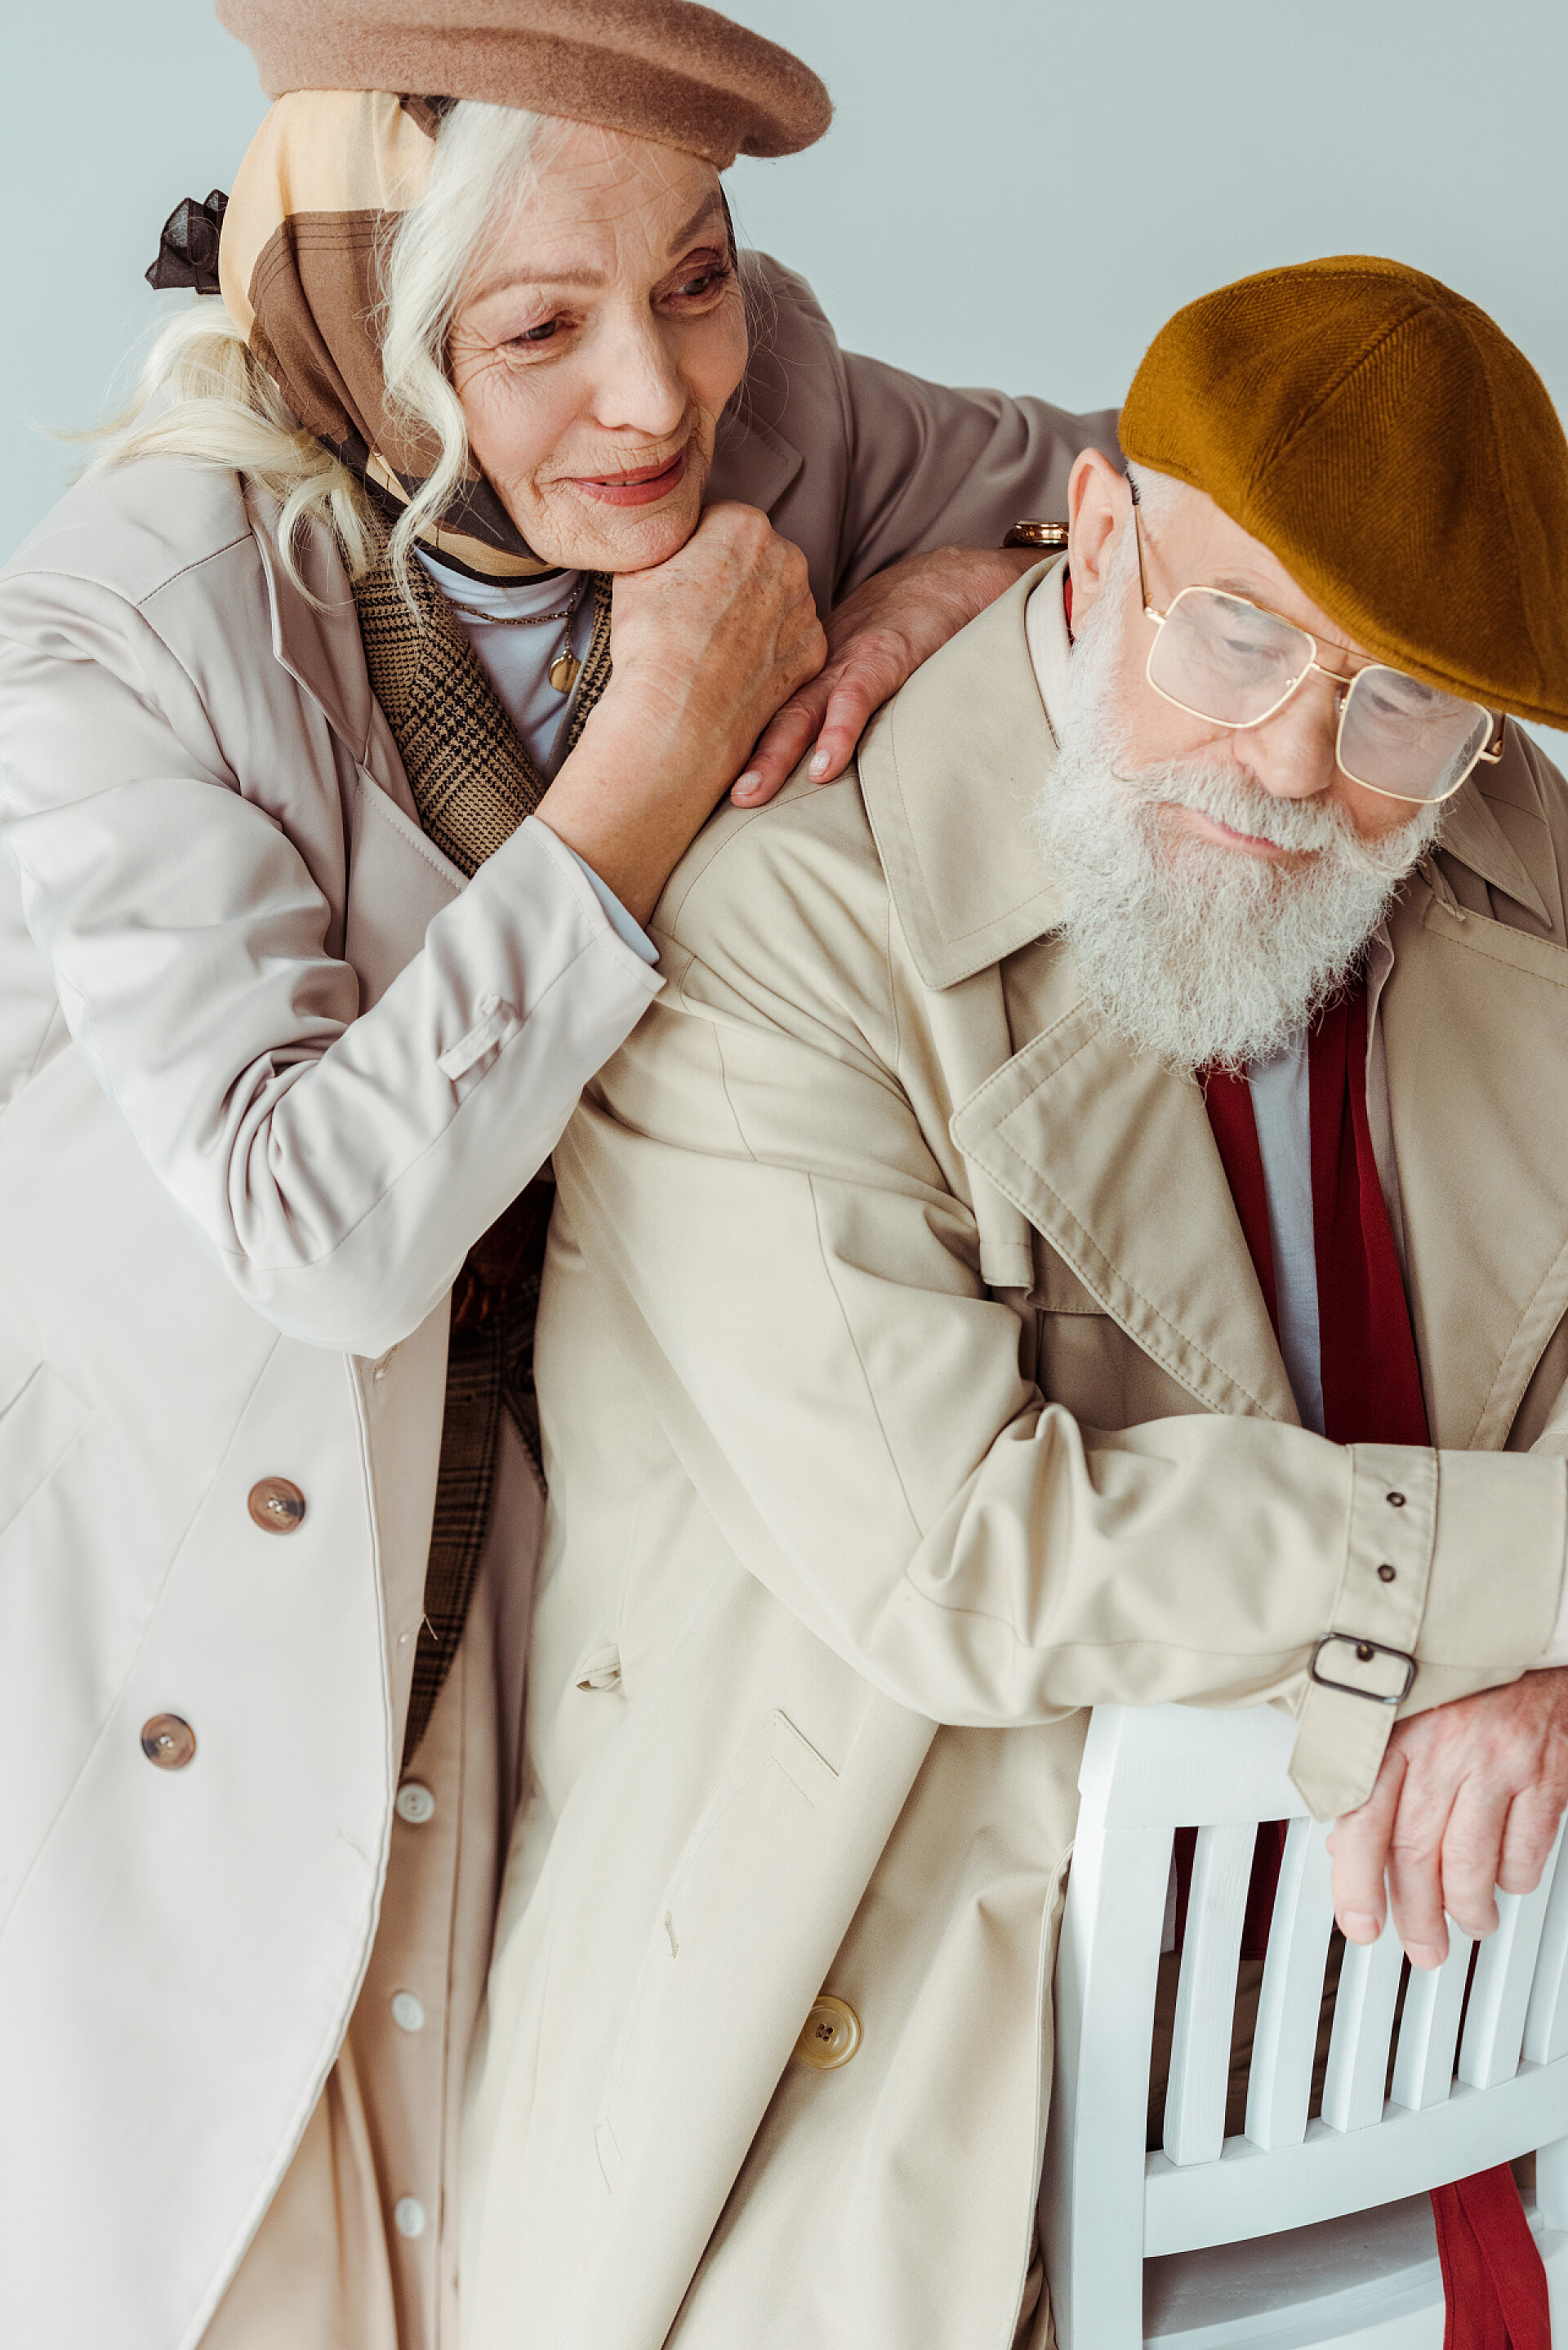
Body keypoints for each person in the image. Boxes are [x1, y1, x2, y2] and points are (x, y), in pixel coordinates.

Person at [0, 2, 1122, 2343]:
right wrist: (654, 751)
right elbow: (315, 1221)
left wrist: (936, 589)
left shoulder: (775, 405)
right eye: (538, 325)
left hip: (537, 1594)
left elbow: (1121, 491)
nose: (659, 397)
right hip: (190, 1624)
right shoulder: (127, 620)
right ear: (366, 310)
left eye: (696, 276)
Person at [466, 255, 1568, 2350]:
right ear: (1100, 531)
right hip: (889, 2070)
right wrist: (1545, 1567)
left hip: (1431, 2057)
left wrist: (1545, 1668)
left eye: (1400, 707)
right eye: (1239, 632)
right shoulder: (779, 927)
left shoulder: (1496, 841)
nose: (1291, 757)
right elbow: (976, 1554)